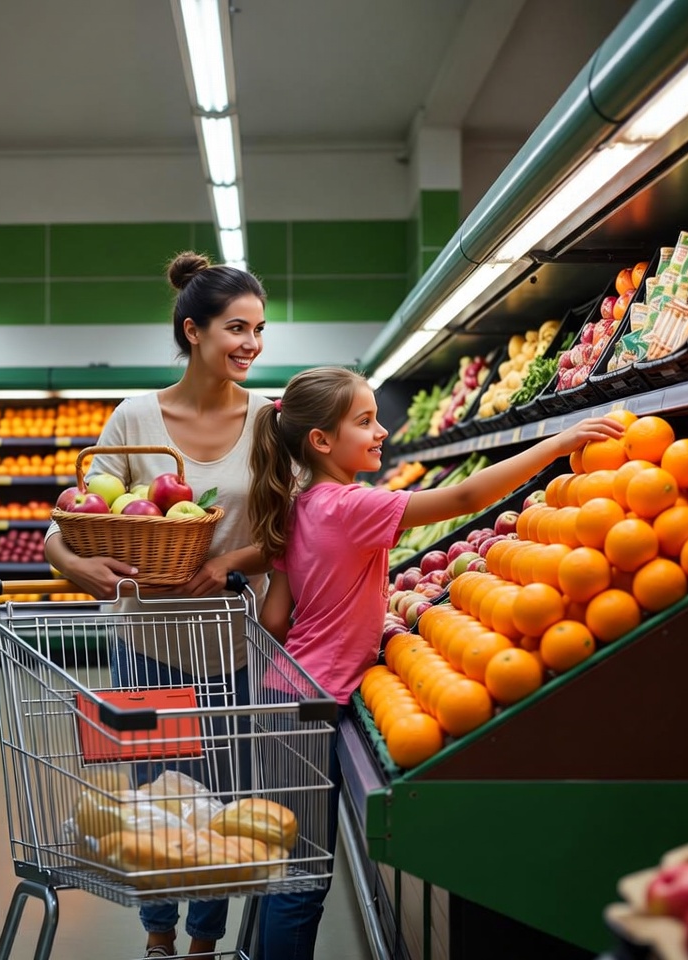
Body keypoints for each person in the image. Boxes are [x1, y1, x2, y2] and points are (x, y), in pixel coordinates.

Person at [246, 366, 624, 960]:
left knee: (289, 863)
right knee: (304, 880)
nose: (381, 431)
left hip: (284, 692)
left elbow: (274, 620)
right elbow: (467, 498)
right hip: (310, 706)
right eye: (365, 421)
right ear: (320, 441)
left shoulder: (303, 506)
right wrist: (559, 442)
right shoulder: (352, 505)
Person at [44, 251, 272, 959]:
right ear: (192, 330)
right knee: (157, 800)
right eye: (237, 328)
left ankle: (203, 942)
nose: (252, 345)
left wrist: (230, 561)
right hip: (146, 645)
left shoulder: (270, 418)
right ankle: (157, 937)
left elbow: (290, 527)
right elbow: (63, 529)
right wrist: (87, 570)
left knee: (222, 809)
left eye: (260, 330)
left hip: (238, 643)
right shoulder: (137, 417)